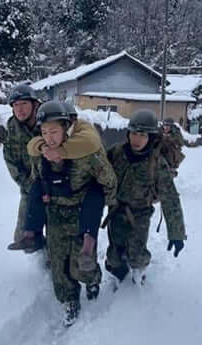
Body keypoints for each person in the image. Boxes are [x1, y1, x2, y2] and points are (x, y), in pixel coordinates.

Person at [30, 101, 117, 326]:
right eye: (44, 132)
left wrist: (98, 205)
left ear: (67, 127)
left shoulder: (87, 152)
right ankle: (69, 300)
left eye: (54, 131)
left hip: (81, 213)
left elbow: (108, 180)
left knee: (82, 263)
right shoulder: (41, 153)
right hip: (56, 214)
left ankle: (92, 281)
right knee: (58, 266)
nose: (49, 137)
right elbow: (36, 177)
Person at [8, 102, 105, 254]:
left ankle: (87, 243)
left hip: (77, 189)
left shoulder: (82, 128)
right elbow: (33, 144)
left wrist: (61, 151)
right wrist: (43, 147)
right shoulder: (44, 128)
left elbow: (91, 142)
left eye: (71, 120)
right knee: (36, 195)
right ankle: (33, 240)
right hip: (44, 184)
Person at [104, 109, 187, 285]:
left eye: (142, 135)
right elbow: (97, 173)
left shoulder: (156, 162)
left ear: (150, 136)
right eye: (133, 133)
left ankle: (139, 272)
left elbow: (170, 198)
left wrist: (176, 233)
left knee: (136, 254)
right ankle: (118, 272)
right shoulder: (116, 153)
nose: (137, 139)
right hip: (116, 210)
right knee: (114, 256)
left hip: (140, 214)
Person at [2, 84, 43, 247]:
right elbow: (10, 160)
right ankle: (39, 251)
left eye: (24, 104)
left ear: (34, 105)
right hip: (29, 186)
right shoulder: (13, 129)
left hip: (56, 186)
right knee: (23, 237)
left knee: (61, 238)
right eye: (16, 105)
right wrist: (27, 184)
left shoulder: (49, 121)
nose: (20, 109)